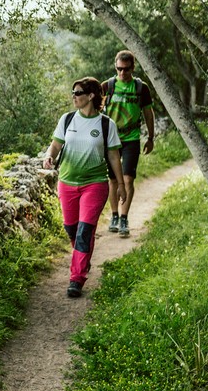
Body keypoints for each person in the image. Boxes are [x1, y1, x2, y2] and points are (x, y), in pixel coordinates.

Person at [43, 77, 125, 298]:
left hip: (95, 184)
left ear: (90, 96)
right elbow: (56, 144)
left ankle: (76, 278)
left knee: (84, 231)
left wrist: (121, 186)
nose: (73, 96)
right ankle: (83, 259)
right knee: (72, 229)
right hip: (67, 183)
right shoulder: (68, 119)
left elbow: (114, 157)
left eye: (77, 92)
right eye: (73, 92)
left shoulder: (106, 124)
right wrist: (49, 156)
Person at [101, 50, 155, 238]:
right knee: (113, 180)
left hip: (131, 138)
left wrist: (150, 137)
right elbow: (94, 111)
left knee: (128, 179)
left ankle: (124, 217)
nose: (122, 73)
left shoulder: (141, 88)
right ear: (115, 67)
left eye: (126, 69)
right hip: (111, 140)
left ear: (133, 68)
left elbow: (148, 113)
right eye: (119, 69)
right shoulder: (107, 87)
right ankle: (114, 215)